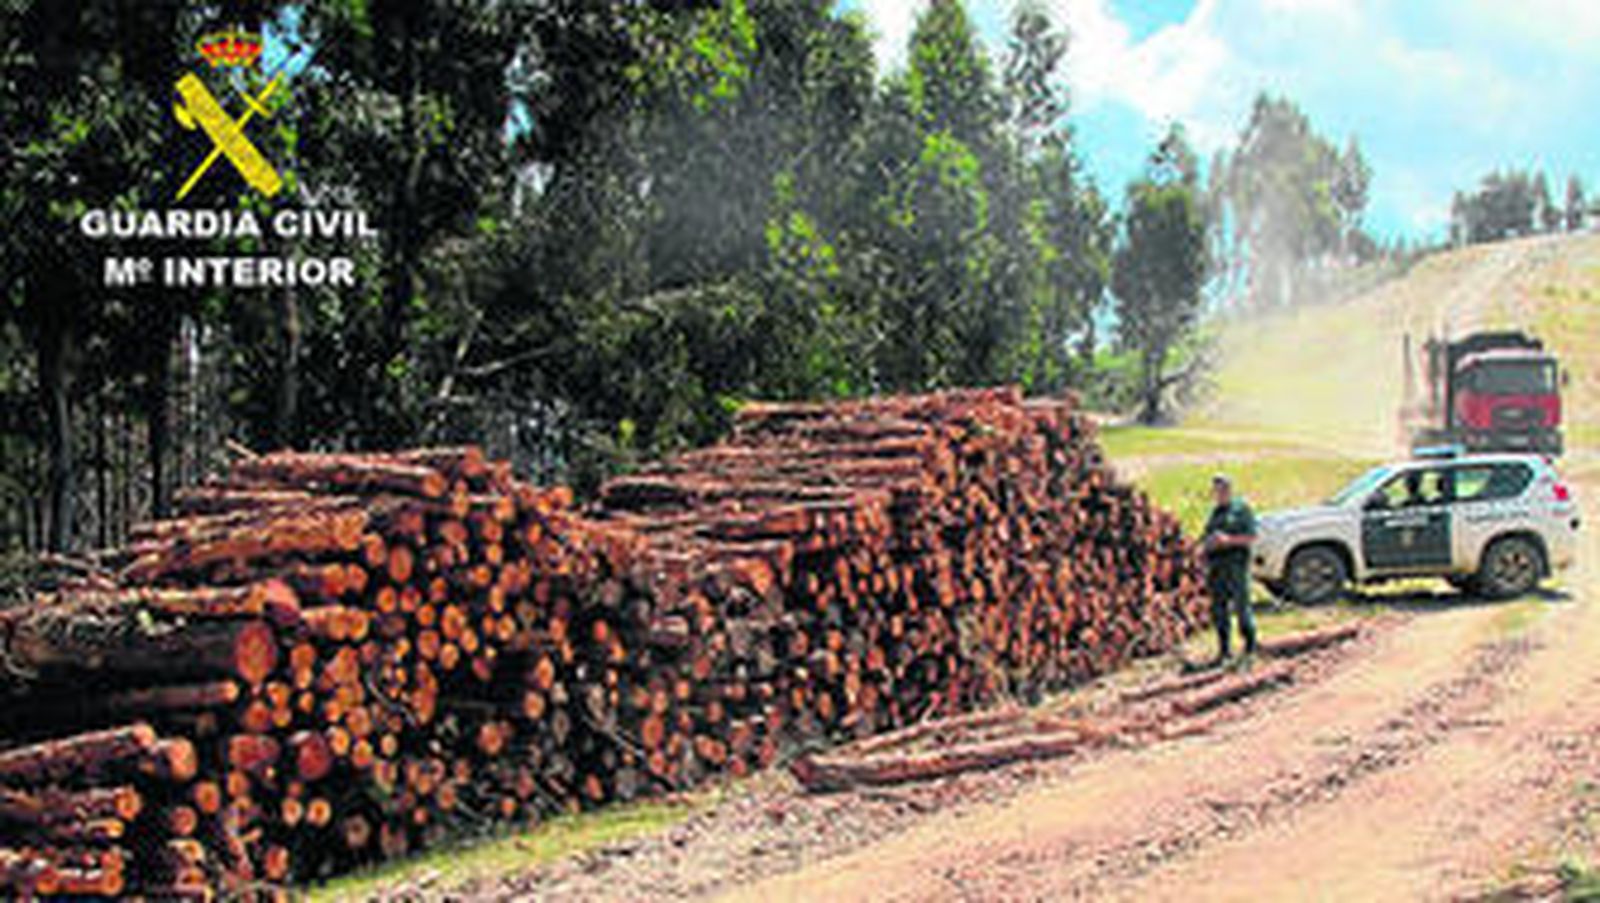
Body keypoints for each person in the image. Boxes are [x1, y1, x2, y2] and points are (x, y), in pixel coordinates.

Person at [1203, 473, 1258, 663]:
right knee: (1219, 610)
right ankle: (1224, 650)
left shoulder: (1241, 510)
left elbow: (1251, 537)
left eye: (1223, 490)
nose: (1220, 494)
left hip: (1237, 565)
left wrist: (1228, 540)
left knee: (1242, 607)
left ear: (1230, 490)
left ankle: (1250, 648)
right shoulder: (1215, 513)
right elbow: (1207, 537)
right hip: (1217, 568)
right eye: (1216, 491)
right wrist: (1208, 544)